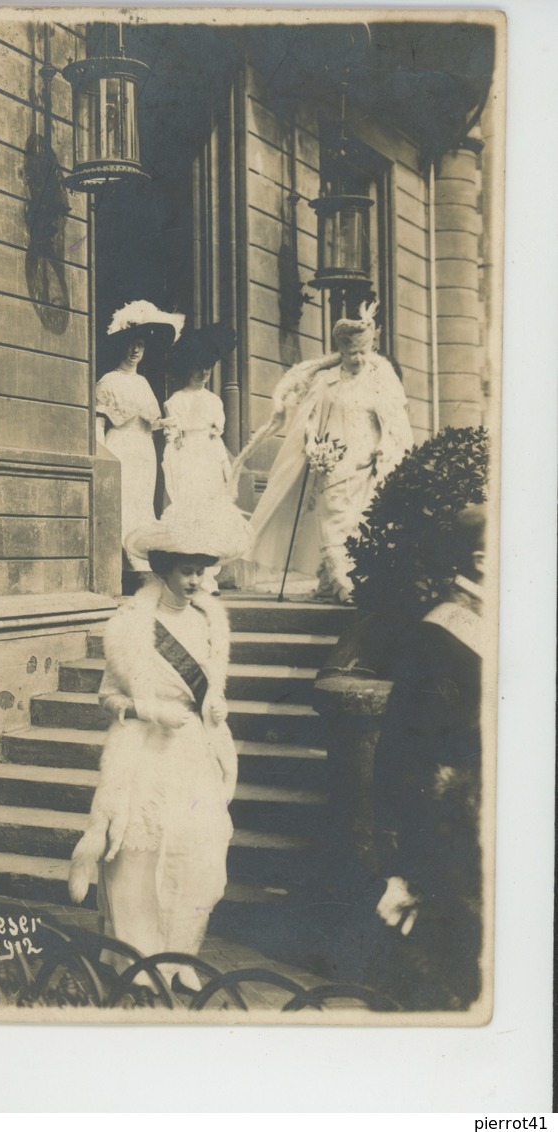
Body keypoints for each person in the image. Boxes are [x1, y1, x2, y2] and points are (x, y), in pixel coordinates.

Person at [67, 500, 251, 994]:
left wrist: (216, 708)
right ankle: (140, 955)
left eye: (201, 572)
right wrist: (148, 710)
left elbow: (212, 687)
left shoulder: (212, 622)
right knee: (139, 852)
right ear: (165, 570)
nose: (196, 582)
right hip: (145, 749)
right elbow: (107, 697)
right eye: (187, 572)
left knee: (198, 851)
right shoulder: (131, 625)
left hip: (193, 750)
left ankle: (181, 955)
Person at [372, 503, 487, 1010]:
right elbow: (405, 753)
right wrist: (406, 862)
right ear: (482, 559)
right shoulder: (439, 636)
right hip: (450, 836)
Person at [232, 302, 413, 602]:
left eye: (362, 352)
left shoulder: (379, 382)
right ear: (340, 352)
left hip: (368, 464)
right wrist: (314, 445)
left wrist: (383, 450)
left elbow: (393, 423)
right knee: (333, 521)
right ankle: (345, 586)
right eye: (351, 352)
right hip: (333, 462)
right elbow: (310, 420)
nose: (357, 358)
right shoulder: (326, 382)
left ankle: (331, 581)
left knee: (358, 524)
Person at [95, 301, 185, 573]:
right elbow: (98, 421)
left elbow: (151, 422)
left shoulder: (143, 383)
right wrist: (102, 455)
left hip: (144, 451)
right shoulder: (107, 381)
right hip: (120, 447)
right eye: (131, 344)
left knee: (142, 502)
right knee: (123, 501)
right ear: (121, 346)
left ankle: (142, 556)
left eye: (141, 345)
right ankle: (126, 561)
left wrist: (167, 423)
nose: (135, 350)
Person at [161, 323, 237, 592]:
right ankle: (189, 572)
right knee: (189, 512)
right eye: (199, 366)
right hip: (187, 460)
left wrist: (225, 469)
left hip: (209, 460)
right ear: (188, 368)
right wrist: (174, 467)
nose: (204, 372)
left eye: (208, 366)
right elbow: (173, 441)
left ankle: (209, 573)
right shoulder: (175, 401)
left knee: (211, 513)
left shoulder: (215, 401)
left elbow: (216, 439)